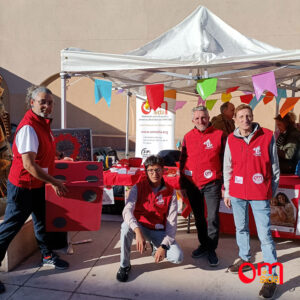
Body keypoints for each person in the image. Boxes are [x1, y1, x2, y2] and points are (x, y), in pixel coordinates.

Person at [0, 86, 69, 294]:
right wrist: (55, 182)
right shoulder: (29, 127)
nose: (47, 106)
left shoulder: (42, 123)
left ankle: (47, 255)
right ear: (32, 103)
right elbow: (29, 165)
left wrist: (59, 158)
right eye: (43, 102)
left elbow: (44, 151)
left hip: (37, 184)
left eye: (50, 102)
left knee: (41, 220)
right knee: (10, 227)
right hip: (23, 186)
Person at [223, 104, 280, 299]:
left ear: (252, 117)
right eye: (241, 116)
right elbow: (227, 167)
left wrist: (269, 191)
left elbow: (275, 168)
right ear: (235, 119)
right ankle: (245, 258)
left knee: (265, 236)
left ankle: (270, 278)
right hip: (238, 193)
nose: (245, 119)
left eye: (248, 116)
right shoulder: (231, 139)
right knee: (241, 228)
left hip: (259, 194)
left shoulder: (267, 136)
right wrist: (227, 192)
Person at [116, 155, 183, 282]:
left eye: (158, 170)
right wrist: (137, 230)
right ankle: (124, 266)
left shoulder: (170, 192)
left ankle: (155, 245)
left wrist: (163, 246)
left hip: (158, 231)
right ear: (146, 172)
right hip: (140, 227)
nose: (154, 173)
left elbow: (172, 224)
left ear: (163, 171)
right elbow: (127, 210)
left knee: (177, 257)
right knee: (125, 226)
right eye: (151, 170)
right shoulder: (138, 187)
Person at [179, 105, 226, 266]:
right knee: (199, 218)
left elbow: (227, 162)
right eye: (197, 118)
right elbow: (183, 161)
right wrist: (182, 185)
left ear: (208, 117)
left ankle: (211, 248)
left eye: (204, 117)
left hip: (212, 183)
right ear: (193, 120)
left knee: (212, 217)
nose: (201, 120)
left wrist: (225, 185)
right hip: (192, 184)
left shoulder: (219, 135)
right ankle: (203, 244)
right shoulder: (187, 136)